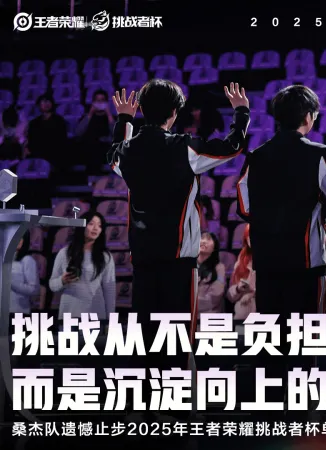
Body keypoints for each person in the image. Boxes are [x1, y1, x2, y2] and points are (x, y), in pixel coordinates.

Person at [107, 80, 249, 421]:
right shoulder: (184, 147)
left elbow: (113, 155)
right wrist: (241, 112)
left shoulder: (128, 150)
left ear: (142, 110)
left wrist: (124, 120)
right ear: (174, 112)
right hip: (178, 261)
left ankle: (145, 407)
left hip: (143, 259)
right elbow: (232, 146)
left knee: (145, 336)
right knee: (177, 336)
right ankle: (176, 408)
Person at [236, 84, 326, 419]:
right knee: (305, 342)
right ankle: (301, 412)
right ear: (309, 118)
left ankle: (269, 409)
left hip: (268, 264)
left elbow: (244, 207)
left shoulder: (256, 156)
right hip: (306, 263)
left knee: (270, 341)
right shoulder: (318, 154)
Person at [49, 212, 116, 319]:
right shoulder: (65, 253)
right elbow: (52, 285)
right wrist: (62, 280)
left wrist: (111, 319)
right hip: (69, 314)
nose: (95, 228)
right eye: (91, 224)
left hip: (95, 315)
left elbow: (110, 290)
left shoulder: (105, 256)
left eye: (99, 226)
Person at [25, 93, 69, 168]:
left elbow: (61, 141)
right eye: (43, 101)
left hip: (54, 155)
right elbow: (31, 140)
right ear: (39, 105)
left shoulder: (59, 121)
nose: (46, 104)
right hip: (37, 155)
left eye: (48, 101)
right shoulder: (34, 123)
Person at [76, 89, 115, 172]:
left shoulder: (111, 118)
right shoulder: (87, 117)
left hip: (106, 147)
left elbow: (116, 134)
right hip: (89, 147)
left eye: (102, 100)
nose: (100, 103)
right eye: (97, 100)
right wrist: (90, 114)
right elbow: (78, 132)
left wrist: (108, 114)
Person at [227, 224, 256, 320]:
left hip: (265, 319)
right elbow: (230, 296)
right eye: (249, 236)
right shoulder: (241, 260)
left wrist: (252, 294)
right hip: (241, 316)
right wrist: (237, 289)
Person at [196, 232, 226, 314]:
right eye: (201, 238)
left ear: (214, 248)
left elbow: (215, 296)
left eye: (208, 239)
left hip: (209, 315)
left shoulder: (219, 268)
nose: (203, 241)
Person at [9, 231, 39, 314]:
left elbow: (34, 289)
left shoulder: (27, 260)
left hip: (18, 312)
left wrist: (11, 282)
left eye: (21, 237)